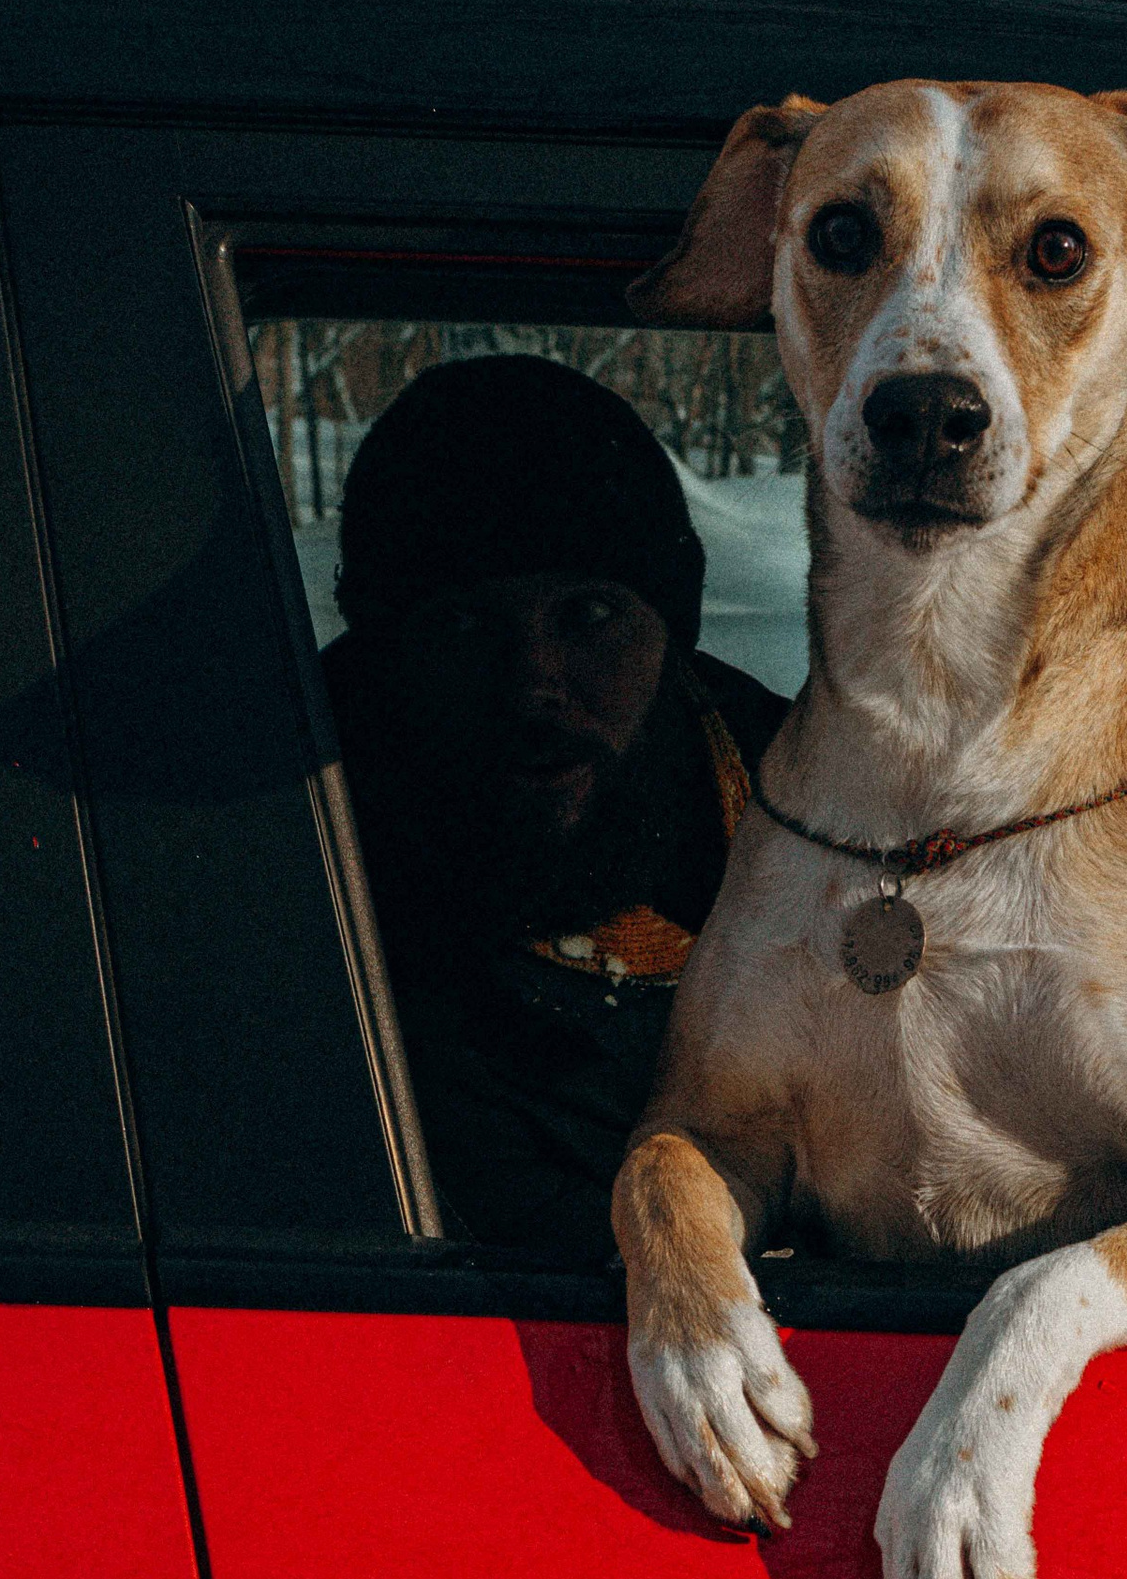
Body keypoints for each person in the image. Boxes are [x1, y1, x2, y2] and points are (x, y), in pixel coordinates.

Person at [322, 353, 787, 1260]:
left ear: (672, 624)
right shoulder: (311, 869)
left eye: (591, 617)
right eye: (462, 627)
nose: (534, 684)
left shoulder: (817, 808)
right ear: (389, 658)